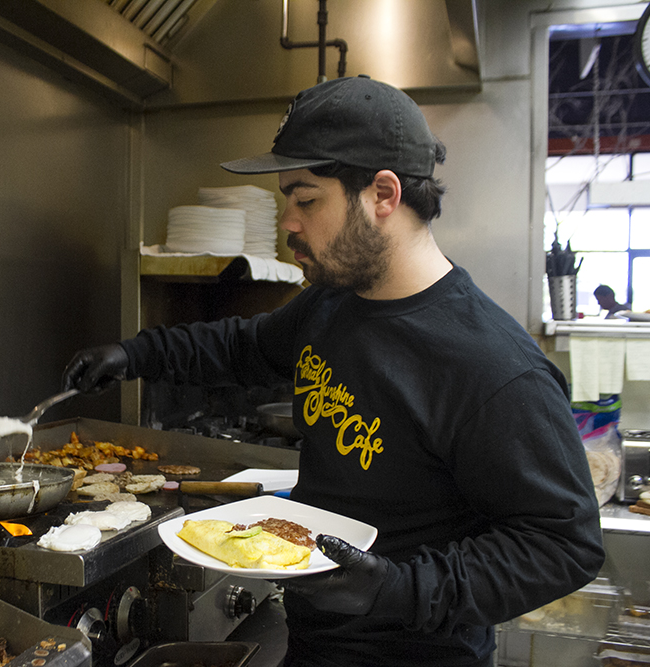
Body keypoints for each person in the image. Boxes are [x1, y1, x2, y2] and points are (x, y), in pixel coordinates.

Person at [62, 75, 604, 667]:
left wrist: (394, 588)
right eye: (285, 201)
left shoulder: (492, 367)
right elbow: (245, 347)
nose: (288, 222)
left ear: (383, 194)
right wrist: (134, 354)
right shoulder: (335, 302)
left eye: (306, 199)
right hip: (315, 644)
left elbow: (562, 544)